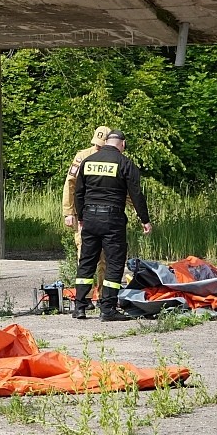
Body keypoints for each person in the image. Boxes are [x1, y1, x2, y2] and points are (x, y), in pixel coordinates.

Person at [73, 130, 152, 321]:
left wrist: (81, 216)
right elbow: (136, 194)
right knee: (114, 263)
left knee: (86, 261)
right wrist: (145, 219)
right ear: (122, 144)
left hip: (90, 217)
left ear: (106, 142)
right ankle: (107, 308)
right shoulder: (124, 163)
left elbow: (78, 192)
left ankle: (80, 306)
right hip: (112, 218)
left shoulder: (88, 161)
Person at [62, 125, 111, 311]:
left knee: (105, 258)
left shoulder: (112, 158)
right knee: (85, 255)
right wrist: (69, 212)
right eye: (96, 144)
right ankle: (86, 297)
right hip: (83, 215)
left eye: (101, 145)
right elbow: (70, 184)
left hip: (103, 215)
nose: (97, 148)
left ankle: (104, 296)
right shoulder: (82, 156)